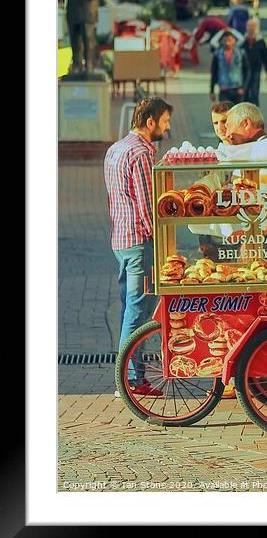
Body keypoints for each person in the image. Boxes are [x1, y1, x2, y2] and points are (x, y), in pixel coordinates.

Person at [104, 97, 172, 397]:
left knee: (129, 308)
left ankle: (132, 375)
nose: (167, 127)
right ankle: (129, 380)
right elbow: (147, 208)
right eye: (165, 121)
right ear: (150, 122)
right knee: (138, 309)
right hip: (138, 243)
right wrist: (162, 238)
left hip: (120, 239)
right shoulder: (142, 154)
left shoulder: (115, 149)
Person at [210, 30, 250, 104]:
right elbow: (214, 72)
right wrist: (212, 90)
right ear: (222, 41)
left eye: (230, 40)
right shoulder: (217, 54)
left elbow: (247, 70)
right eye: (225, 41)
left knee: (237, 114)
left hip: (237, 89)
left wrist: (244, 88)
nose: (227, 43)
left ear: (234, 41)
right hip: (224, 89)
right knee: (225, 114)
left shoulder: (241, 53)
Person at [242, 18, 267, 106]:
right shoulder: (243, 41)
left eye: (253, 26)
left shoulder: (260, 41)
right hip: (244, 71)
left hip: (256, 70)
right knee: (244, 92)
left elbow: (266, 58)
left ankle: (254, 111)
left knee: (254, 92)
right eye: (249, 26)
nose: (251, 28)